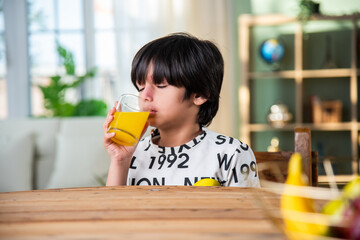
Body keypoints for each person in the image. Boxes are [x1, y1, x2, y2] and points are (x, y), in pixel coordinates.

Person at [103, 33, 260, 187]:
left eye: (160, 85)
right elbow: (111, 212)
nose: (145, 96)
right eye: (140, 87)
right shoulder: (133, 152)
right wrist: (120, 161)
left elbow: (247, 212)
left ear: (200, 94)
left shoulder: (232, 153)